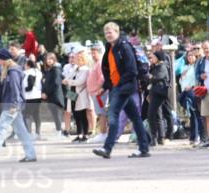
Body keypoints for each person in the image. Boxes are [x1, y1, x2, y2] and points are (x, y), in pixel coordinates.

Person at [93, 21, 151, 159]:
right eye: (106, 32)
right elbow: (109, 71)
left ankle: (107, 148)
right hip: (116, 87)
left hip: (123, 88)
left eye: (110, 32)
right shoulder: (110, 49)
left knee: (113, 116)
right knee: (135, 118)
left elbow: (132, 70)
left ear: (117, 32)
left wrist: (118, 86)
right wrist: (105, 87)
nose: (108, 34)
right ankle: (144, 148)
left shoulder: (124, 47)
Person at [0, 49, 37, 163]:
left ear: (4, 59)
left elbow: (15, 89)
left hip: (12, 105)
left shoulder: (13, 72)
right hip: (13, 104)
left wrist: (14, 105)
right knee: (21, 131)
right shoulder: (11, 70)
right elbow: (6, 86)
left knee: (1, 128)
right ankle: (31, 155)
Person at [65, 49, 91, 142]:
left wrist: (69, 82)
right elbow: (67, 77)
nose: (74, 59)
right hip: (72, 93)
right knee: (75, 114)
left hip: (80, 94)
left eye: (76, 58)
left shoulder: (85, 69)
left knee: (82, 114)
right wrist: (68, 81)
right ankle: (79, 134)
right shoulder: (76, 68)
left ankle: (85, 134)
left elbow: (80, 81)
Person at [40, 52, 65, 138]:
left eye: (51, 59)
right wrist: (43, 92)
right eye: (47, 59)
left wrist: (46, 93)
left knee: (57, 114)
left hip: (56, 95)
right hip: (51, 96)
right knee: (54, 114)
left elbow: (56, 83)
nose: (49, 61)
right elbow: (45, 82)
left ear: (54, 59)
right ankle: (58, 130)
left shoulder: (56, 70)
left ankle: (59, 132)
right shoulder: (49, 70)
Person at [23, 57, 44, 136]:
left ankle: (28, 132)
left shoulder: (28, 73)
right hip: (37, 95)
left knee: (27, 114)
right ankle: (37, 132)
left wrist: (23, 89)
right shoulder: (38, 72)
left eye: (25, 64)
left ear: (28, 65)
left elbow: (30, 86)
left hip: (29, 96)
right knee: (36, 114)